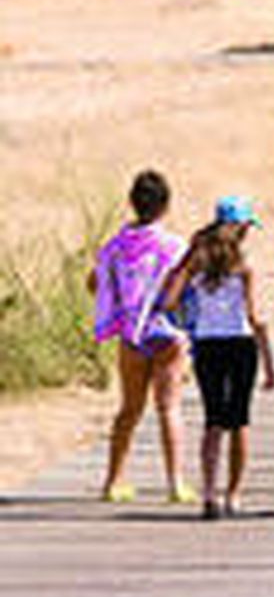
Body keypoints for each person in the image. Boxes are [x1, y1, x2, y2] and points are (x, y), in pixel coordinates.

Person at [163, 198, 274, 520]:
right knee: (239, 422)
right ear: (240, 228)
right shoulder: (244, 267)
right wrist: (269, 362)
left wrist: (189, 318)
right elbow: (254, 316)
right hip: (240, 344)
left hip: (207, 344)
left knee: (213, 421)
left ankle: (209, 494)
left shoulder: (197, 264)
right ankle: (234, 494)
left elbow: (169, 300)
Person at [88, 170, 195, 506]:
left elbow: (95, 283)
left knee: (129, 410)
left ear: (132, 203)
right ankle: (176, 483)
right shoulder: (174, 247)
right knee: (169, 407)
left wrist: (121, 304)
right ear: (166, 206)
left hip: (132, 336)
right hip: (167, 334)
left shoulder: (114, 248)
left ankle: (113, 481)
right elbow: (187, 287)